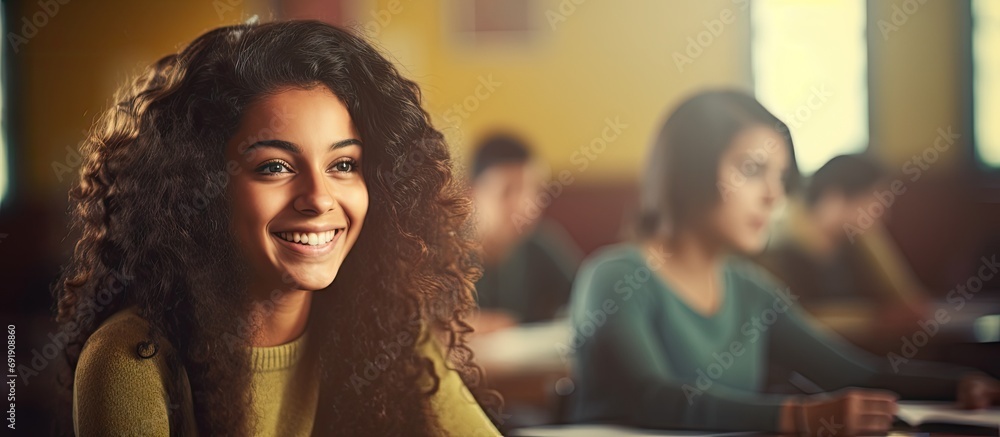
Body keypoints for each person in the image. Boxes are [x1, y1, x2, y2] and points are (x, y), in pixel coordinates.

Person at [54, 20, 501, 436]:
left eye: (343, 164)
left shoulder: (389, 328)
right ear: (200, 187)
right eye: (275, 166)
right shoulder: (130, 362)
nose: (320, 198)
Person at [568, 90, 1000, 434]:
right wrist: (797, 418)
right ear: (691, 172)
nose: (774, 195)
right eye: (753, 170)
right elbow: (651, 397)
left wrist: (961, 384)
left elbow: (851, 372)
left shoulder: (750, 288)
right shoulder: (614, 277)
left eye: (779, 177)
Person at [756, 153, 931, 354]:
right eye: (875, 201)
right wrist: (873, 320)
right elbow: (792, 324)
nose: (884, 215)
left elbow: (908, 303)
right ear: (835, 198)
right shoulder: (777, 249)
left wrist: (871, 237)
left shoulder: (855, 244)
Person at [469, 133, 582, 331]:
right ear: (471, 193)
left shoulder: (540, 244)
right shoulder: (443, 252)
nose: (524, 206)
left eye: (533, 191)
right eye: (508, 191)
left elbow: (583, 298)